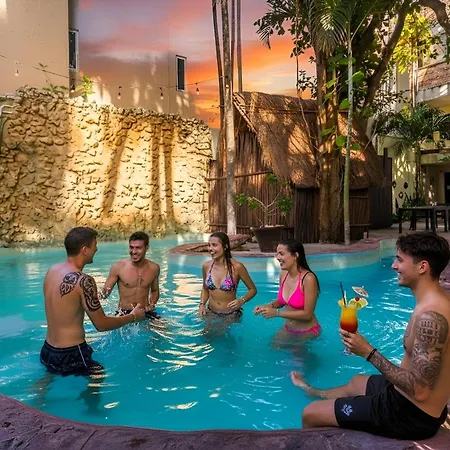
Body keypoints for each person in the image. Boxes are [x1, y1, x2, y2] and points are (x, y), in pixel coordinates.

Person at [291, 231, 450, 440]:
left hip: (410, 414)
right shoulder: (438, 301)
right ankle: (316, 392)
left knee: (310, 414)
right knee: (356, 382)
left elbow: (420, 391)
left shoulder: (431, 319)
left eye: (400, 260)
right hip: (407, 397)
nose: (394, 266)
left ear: (422, 267)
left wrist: (367, 351)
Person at [40, 227, 145, 376]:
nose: (96, 248)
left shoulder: (52, 271)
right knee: (98, 378)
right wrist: (133, 316)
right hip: (71, 352)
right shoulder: (84, 281)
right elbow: (101, 324)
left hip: (48, 349)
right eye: (94, 244)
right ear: (84, 250)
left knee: (48, 380)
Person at [254, 239, 321, 339]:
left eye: (281, 254)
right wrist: (267, 306)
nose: (277, 258)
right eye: (277, 254)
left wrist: (277, 313)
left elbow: (308, 315)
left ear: (295, 255)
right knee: (273, 346)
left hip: (306, 331)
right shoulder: (283, 274)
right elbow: (282, 301)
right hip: (288, 329)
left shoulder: (308, 279)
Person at [101, 231, 161, 319]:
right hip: (124, 313)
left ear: (147, 248)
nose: (134, 251)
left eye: (138, 248)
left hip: (145, 312)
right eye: (131, 247)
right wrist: (92, 295)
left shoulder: (154, 268)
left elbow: (155, 290)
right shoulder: (118, 267)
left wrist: (152, 304)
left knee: (165, 327)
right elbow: (105, 293)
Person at [199, 232, 257, 318]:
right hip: (210, 313)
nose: (210, 248)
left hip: (231, 315)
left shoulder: (237, 267)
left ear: (225, 246)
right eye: (209, 245)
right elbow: (205, 288)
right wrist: (202, 304)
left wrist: (242, 301)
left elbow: (253, 290)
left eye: (214, 245)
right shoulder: (206, 266)